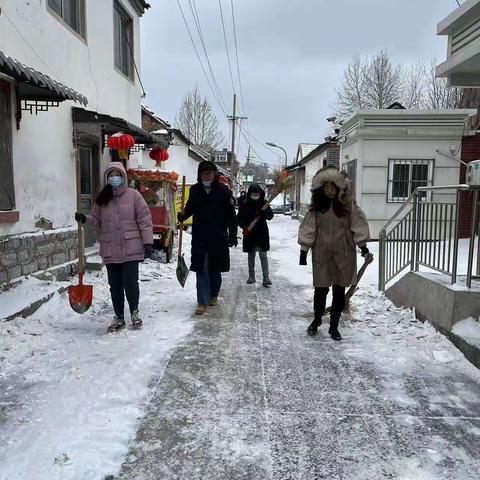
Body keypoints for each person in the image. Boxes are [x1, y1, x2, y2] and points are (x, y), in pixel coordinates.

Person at [75, 162, 153, 332]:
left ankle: (134, 312)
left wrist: (148, 242)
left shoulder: (134, 196)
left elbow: (145, 220)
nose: (114, 178)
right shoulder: (102, 198)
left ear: (123, 176)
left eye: (117, 174)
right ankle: (119, 316)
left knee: (130, 282)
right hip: (110, 247)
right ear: (106, 178)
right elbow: (97, 221)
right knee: (115, 285)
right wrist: (85, 219)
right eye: (111, 175)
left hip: (130, 246)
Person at [298, 166, 371, 341]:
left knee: (339, 290)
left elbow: (358, 224)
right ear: (321, 189)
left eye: (332, 187)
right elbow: (308, 228)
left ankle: (334, 326)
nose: (329, 191)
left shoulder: (348, 206)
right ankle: (316, 321)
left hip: (343, 252)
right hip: (321, 253)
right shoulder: (316, 208)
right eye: (326, 188)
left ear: (339, 188)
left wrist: (363, 246)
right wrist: (304, 250)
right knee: (320, 289)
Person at [177, 161, 238, 315]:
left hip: (218, 236)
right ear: (200, 175)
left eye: (209, 173)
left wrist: (232, 234)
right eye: (204, 173)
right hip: (200, 236)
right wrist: (183, 215)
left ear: (214, 174)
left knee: (215, 269)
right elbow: (190, 207)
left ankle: (213, 294)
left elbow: (231, 215)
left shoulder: (224, 191)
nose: (207, 176)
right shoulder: (195, 190)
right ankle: (202, 301)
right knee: (201, 268)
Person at [237, 184, 274, 287]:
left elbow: (270, 216)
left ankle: (266, 277)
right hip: (250, 233)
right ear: (250, 194)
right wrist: (243, 226)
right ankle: (251, 276)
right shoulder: (245, 204)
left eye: (257, 194)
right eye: (253, 194)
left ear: (260, 194)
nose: (255, 195)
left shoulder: (264, 203)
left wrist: (264, 212)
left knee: (263, 255)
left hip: (261, 233)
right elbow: (239, 218)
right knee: (251, 255)